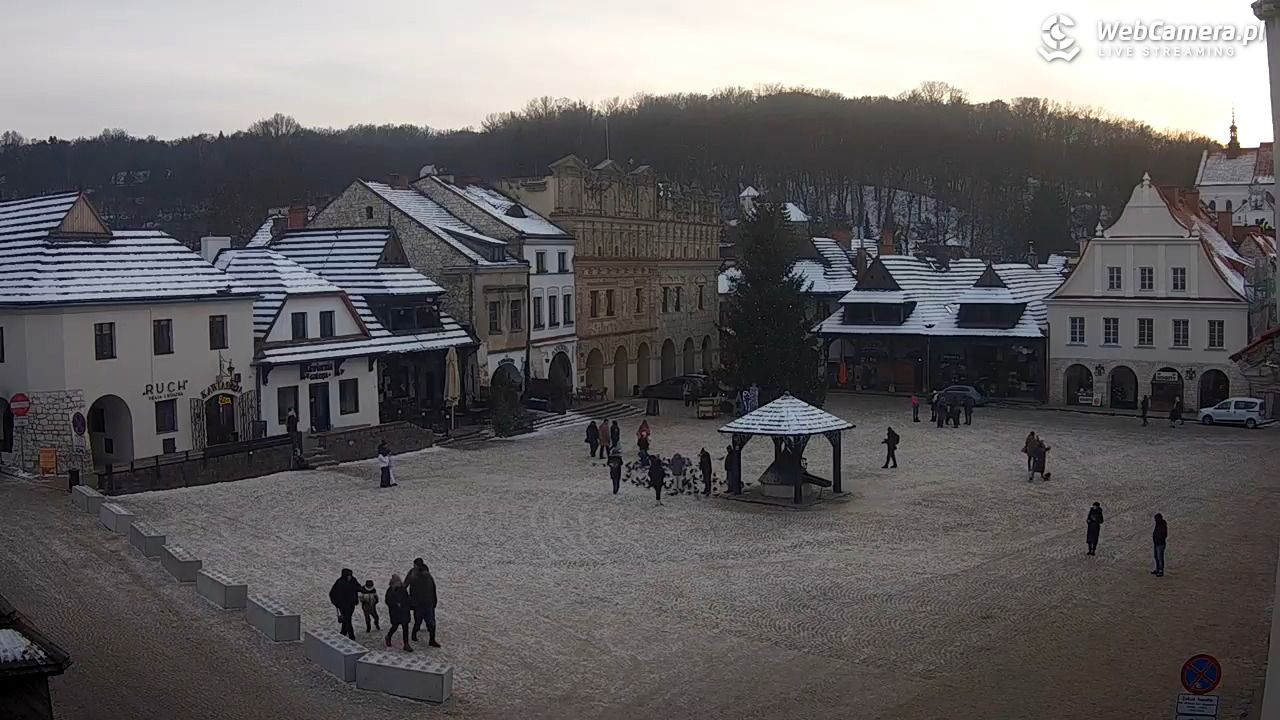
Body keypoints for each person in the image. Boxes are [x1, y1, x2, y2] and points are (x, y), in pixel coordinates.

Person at [406, 558, 440, 647]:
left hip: (426, 604)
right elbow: (409, 588)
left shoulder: (426, 577)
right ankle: (415, 634)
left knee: (429, 622)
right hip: (422, 604)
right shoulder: (415, 576)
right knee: (420, 621)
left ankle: (431, 639)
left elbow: (433, 589)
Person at [328, 568, 362, 640]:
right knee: (347, 620)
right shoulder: (340, 583)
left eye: (350, 575)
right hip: (343, 606)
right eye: (348, 575)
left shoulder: (353, 580)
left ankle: (343, 632)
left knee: (346, 619)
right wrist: (336, 604)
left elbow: (359, 587)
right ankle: (351, 636)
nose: (350, 577)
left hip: (351, 605)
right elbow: (332, 594)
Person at [384, 574, 413, 652]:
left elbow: (407, 599)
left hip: (404, 612)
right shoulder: (390, 591)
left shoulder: (403, 589)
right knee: (395, 626)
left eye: (399, 582)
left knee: (405, 628)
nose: (399, 584)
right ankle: (388, 636)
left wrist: (408, 605)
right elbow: (387, 601)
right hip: (395, 613)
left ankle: (406, 644)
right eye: (397, 582)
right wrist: (395, 604)